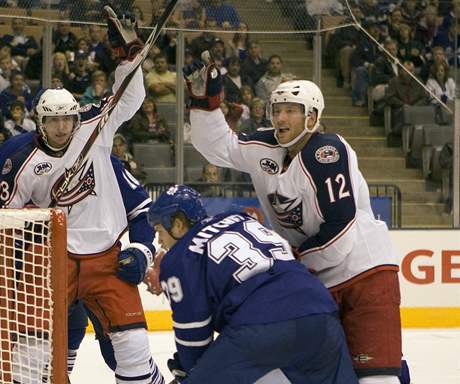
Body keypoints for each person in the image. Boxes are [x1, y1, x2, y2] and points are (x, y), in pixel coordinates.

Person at [184, 53, 408, 384]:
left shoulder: (328, 151)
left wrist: (292, 265)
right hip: (315, 282)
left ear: (312, 117)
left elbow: (340, 231)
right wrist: (206, 102)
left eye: (291, 110)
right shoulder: (264, 148)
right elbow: (217, 145)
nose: (281, 117)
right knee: (318, 373)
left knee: (376, 375)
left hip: (364, 271)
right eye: (276, 110)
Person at [0, 7, 164, 384]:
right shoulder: (18, 158)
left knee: (134, 349)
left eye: (68, 119)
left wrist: (129, 57)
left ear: (77, 116)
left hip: (106, 257)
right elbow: (8, 223)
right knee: (32, 354)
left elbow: (129, 98)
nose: (62, 128)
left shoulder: (94, 127)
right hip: (50, 261)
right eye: (53, 121)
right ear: (38, 122)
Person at [146, 185, 358, 384]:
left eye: (159, 230)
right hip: (320, 310)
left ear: (178, 224)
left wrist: (189, 372)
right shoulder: (239, 218)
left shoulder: (179, 258)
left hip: (260, 325)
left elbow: (193, 338)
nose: (159, 240)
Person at [67, 155, 155, 379]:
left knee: (122, 351)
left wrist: (142, 250)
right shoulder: (27, 155)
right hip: (51, 265)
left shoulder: (104, 161)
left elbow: (142, 208)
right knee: (54, 339)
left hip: (100, 263)